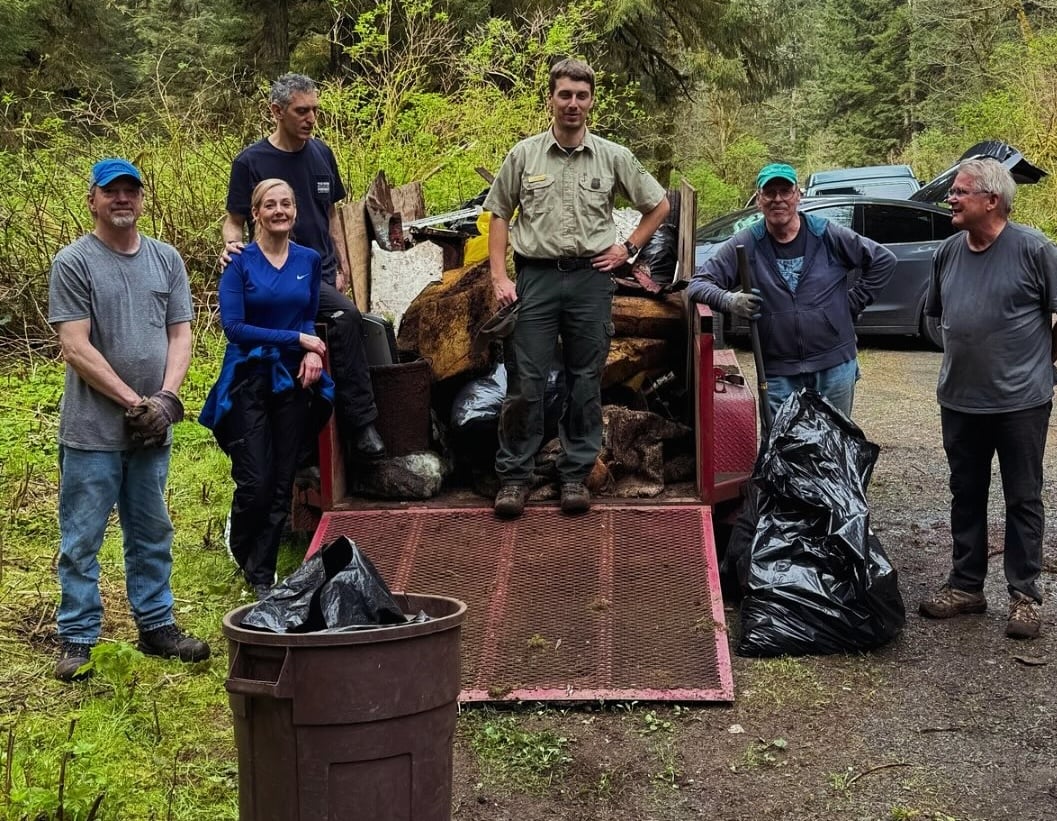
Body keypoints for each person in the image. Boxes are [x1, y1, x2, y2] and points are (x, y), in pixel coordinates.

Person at [485, 58, 670, 518]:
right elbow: (499, 214)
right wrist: (499, 277)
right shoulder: (524, 155)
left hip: (590, 280)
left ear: (591, 101)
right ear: (550, 98)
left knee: (585, 381)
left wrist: (627, 248)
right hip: (537, 279)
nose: (572, 103)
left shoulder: (613, 157)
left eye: (581, 96)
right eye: (564, 94)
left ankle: (574, 475)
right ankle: (514, 478)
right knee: (526, 382)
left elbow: (659, 205)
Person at [47, 157, 210, 682]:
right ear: (92, 199)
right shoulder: (74, 262)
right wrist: (132, 402)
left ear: (142, 199)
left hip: (152, 429)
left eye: (131, 191)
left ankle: (157, 624)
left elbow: (180, 334)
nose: (123, 199)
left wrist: (164, 399)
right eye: (111, 191)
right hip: (93, 432)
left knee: (151, 531)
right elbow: (75, 346)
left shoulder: (166, 260)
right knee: (82, 537)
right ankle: (77, 638)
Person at [918, 158, 1057, 640]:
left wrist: (1041, 368)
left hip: (1021, 402)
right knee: (966, 493)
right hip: (959, 400)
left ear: (992, 200)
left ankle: (1024, 595)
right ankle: (967, 586)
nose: (950, 199)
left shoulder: (1035, 249)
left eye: (959, 192)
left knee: (1022, 498)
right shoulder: (948, 252)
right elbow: (936, 317)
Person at [221, 72, 384, 467]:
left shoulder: (322, 153)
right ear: (276, 111)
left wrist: (341, 263)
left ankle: (339, 430)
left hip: (320, 272)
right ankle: (361, 426)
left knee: (359, 322)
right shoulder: (251, 162)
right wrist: (230, 246)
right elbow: (233, 219)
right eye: (301, 111)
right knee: (346, 317)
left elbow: (330, 216)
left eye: (314, 110)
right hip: (276, 278)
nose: (311, 119)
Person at [201, 179, 334, 600]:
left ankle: (262, 574)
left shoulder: (308, 260)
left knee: (281, 482)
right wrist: (297, 341)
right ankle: (241, 543)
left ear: (295, 212)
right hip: (248, 378)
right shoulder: (239, 263)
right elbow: (234, 328)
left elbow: (307, 317)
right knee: (256, 482)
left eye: (287, 204)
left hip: (294, 379)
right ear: (255, 214)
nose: (280, 211)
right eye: (270, 205)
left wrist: (311, 352)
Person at [687, 163, 896, 419]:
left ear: (798, 195)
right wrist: (728, 300)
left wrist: (851, 303)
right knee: (784, 450)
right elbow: (697, 284)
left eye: (785, 191)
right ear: (758, 199)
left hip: (834, 365)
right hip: (778, 372)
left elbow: (883, 260)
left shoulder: (826, 234)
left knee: (834, 445)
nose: (778, 199)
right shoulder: (747, 242)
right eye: (770, 192)